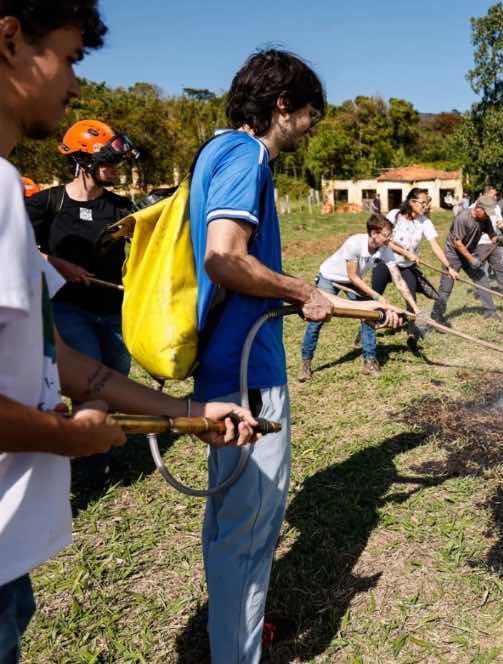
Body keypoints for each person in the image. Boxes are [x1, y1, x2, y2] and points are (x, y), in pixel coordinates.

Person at [0, 5, 256, 661]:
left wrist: (188, 411)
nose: (76, 83)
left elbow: (66, 364)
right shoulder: (11, 194)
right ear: (9, 41)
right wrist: (68, 436)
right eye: (70, 56)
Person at [188, 49, 400, 663]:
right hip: (249, 372)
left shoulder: (214, 152)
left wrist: (348, 304)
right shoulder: (248, 154)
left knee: (231, 525)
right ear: (282, 104)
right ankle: (237, 651)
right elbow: (224, 257)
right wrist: (303, 289)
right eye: (309, 112)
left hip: (226, 365)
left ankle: (236, 632)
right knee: (249, 531)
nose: (311, 125)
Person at [26, 118, 137, 484]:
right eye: (108, 161)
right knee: (90, 380)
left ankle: (101, 445)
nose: (115, 169)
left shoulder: (122, 207)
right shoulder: (47, 203)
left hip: (115, 310)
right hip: (68, 308)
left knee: (117, 378)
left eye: (118, 162)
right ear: (83, 162)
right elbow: (17, 247)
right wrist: (55, 262)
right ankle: (92, 469)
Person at [298, 213, 402, 380]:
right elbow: (353, 275)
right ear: (374, 233)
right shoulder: (355, 243)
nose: (389, 239)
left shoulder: (384, 248)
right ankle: (305, 363)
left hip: (353, 281)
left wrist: (414, 307)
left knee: (369, 314)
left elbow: (397, 277)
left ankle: (369, 361)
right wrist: (376, 296)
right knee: (317, 317)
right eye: (386, 235)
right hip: (331, 278)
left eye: (391, 235)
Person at [372, 188, 458, 351]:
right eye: (422, 202)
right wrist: (406, 253)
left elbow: (435, 246)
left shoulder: (425, 222)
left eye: (427, 203)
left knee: (411, 302)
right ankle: (363, 333)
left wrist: (449, 267)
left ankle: (412, 335)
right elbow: (385, 240)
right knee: (374, 298)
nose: (425, 206)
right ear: (412, 202)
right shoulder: (394, 215)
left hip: (406, 267)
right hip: (385, 262)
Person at [431, 195, 501, 323]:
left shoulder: (485, 218)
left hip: (468, 252)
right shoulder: (463, 218)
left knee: (482, 279)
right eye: (486, 212)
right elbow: (457, 243)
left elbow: (492, 233)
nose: (488, 216)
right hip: (453, 255)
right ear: (478, 208)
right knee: (446, 286)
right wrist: (472, 260)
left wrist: (497, 240)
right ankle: (436, 315)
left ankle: (490, 311)